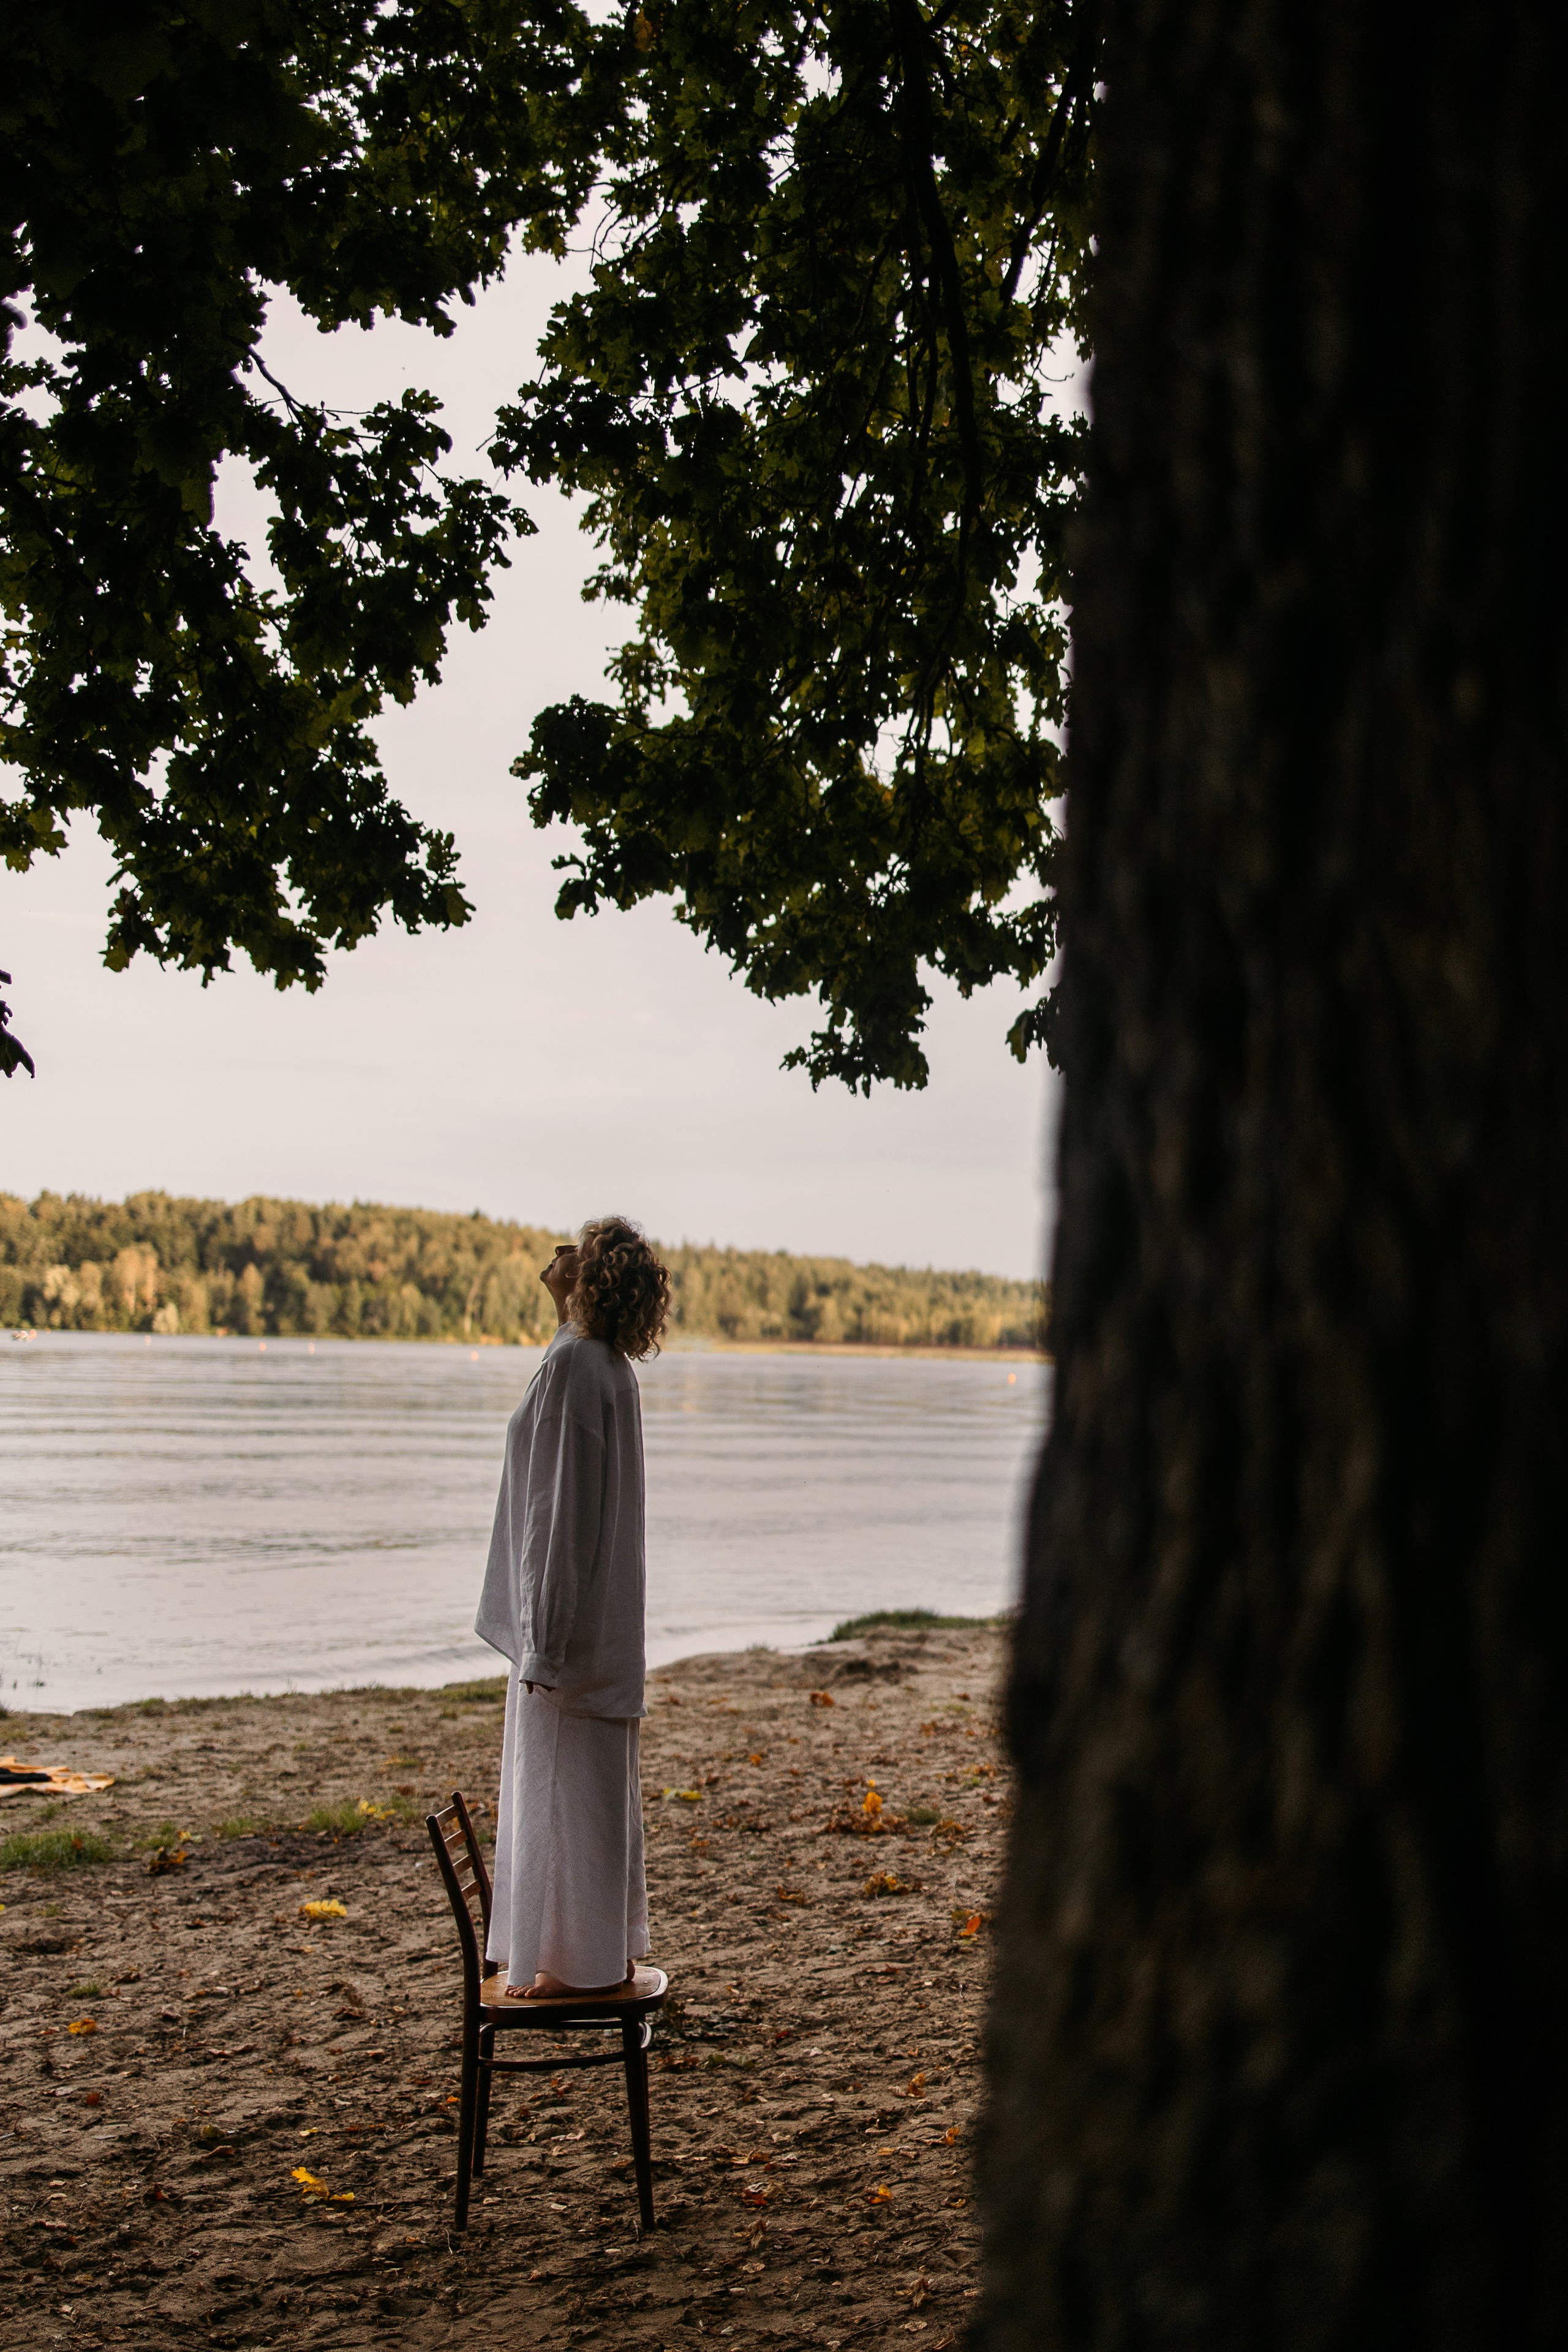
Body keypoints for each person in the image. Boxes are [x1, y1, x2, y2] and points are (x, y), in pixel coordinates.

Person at [474, 1216, 671, 1998]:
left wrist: (544, 1647)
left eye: (576, 1249)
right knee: (590, 1802)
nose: (557, 1251)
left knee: (561, 1800)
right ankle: (595, 1955)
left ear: (588, 1277)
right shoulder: (597, 1363)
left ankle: (565, 1966)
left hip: (568, 1642)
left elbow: (557, 1520)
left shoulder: (576, 1367)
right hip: (595, 1636)